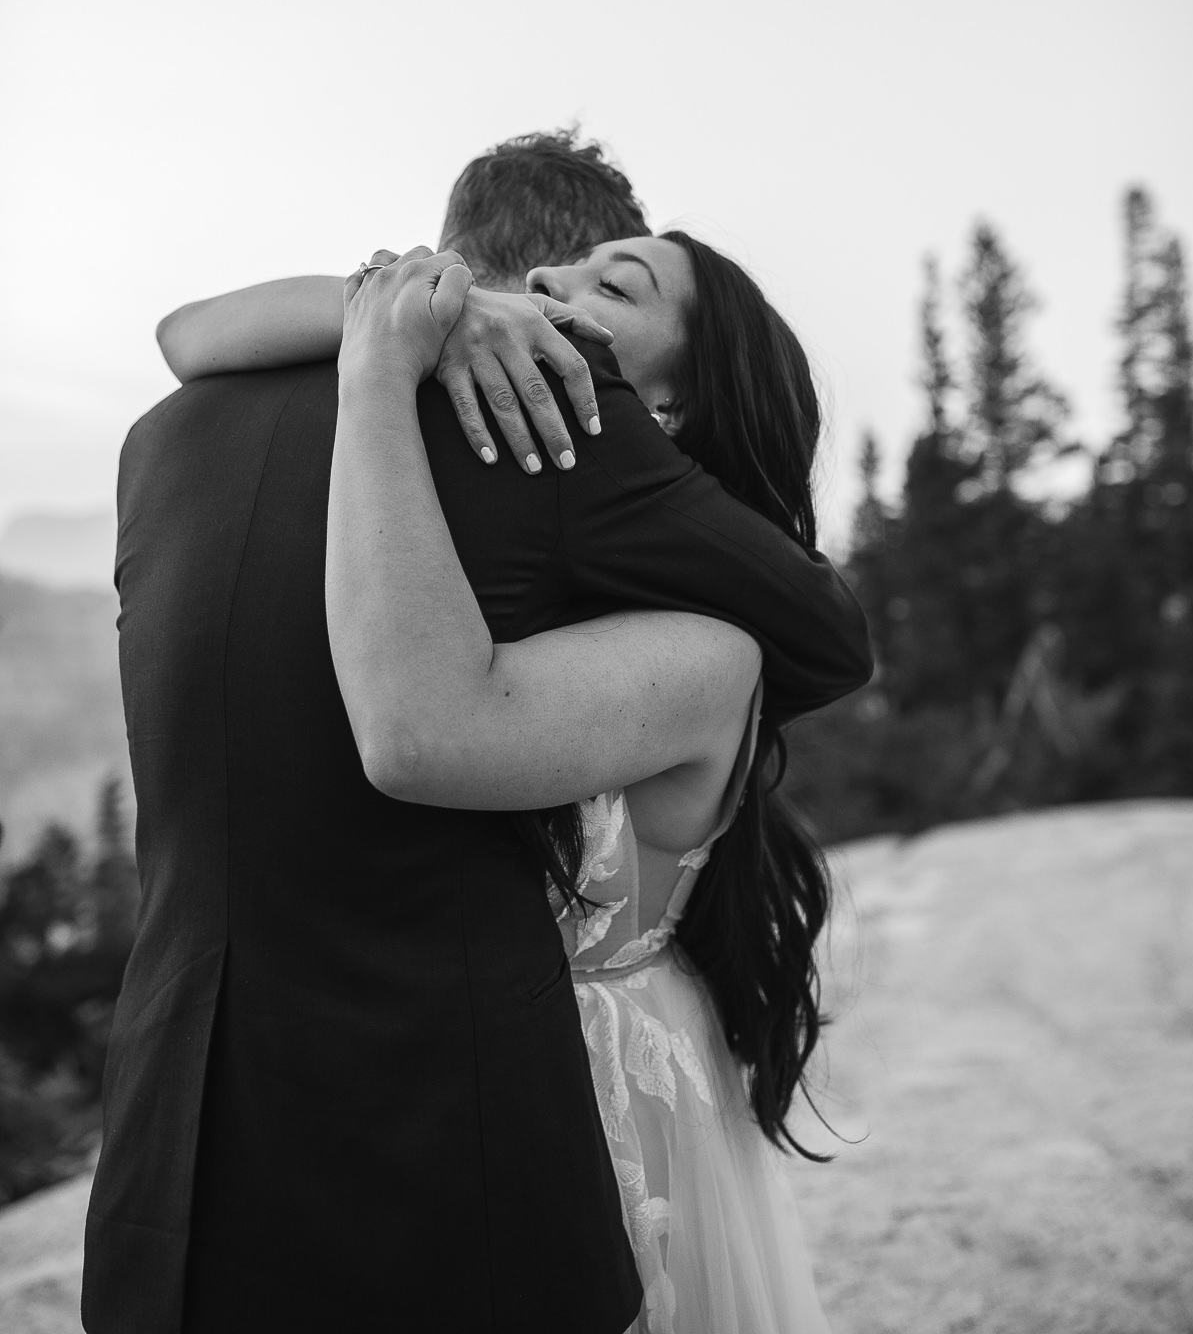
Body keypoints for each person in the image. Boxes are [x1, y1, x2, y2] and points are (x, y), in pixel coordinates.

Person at [83, 132, 871, 1334]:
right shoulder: (560, 427)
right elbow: (827, 635)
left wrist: (389, 324)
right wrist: (391, 338)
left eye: (615, 286)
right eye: (578, 271)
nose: (554, 297)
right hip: (456, 1135)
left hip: (174, 1127)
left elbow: (182, 333)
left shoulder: (170, 433)